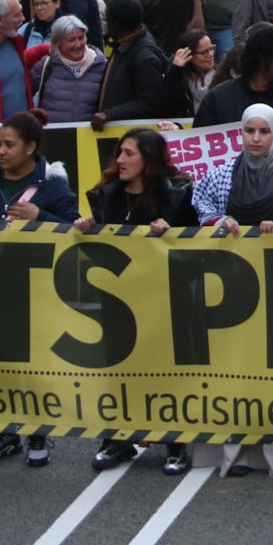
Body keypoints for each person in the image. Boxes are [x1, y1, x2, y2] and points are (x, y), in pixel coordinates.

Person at [71, 128, 199, 474]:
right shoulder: (106, 195)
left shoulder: (178, 195)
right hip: (120, 298)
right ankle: (118, 439)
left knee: (165, 368)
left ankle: (175, 440)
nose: (121, 160)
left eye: (129, 153)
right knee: (119, 367)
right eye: (120, 153)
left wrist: (171, 231)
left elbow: (195, 240)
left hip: (163, 297)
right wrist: (89, 225)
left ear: (149, 159)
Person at [0, 113, 77, 467]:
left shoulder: (54, 185)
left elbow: (75, 230)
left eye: (9, 145)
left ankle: (38, 432)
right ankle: (4, 431)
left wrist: (39, 216)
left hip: (37, 285)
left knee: (34, 361)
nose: (1, 151)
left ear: (31, 147)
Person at [191, 104, 273, 232]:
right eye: (250, 131)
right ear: (242, 132)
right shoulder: (221, 176)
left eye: (264, 131)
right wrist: (220, 221)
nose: (256, 138)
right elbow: (201, 208)